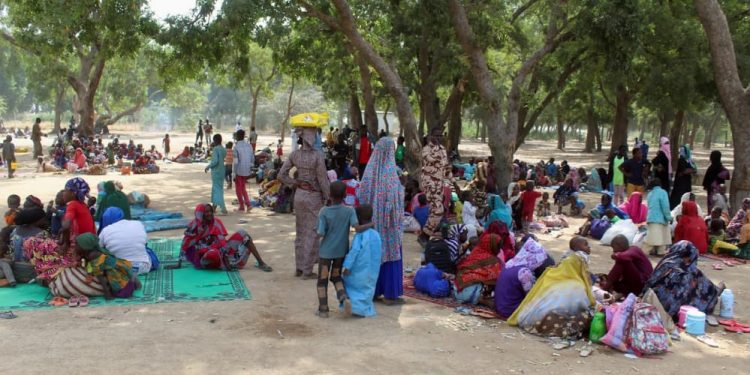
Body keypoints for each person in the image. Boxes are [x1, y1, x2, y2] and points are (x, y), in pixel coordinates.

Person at [508, 241, 595, 340]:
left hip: (530, 319)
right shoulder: (578, 286)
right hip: (551, 321)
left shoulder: (551, 275)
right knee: (588, 315)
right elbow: (583, 306)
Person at [358, 137, 405, 305]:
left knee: (374, 255)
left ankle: (374, 291)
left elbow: (361, 194)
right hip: (389, 225)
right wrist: (402, 187)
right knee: (391, 254)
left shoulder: (369, 171)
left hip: (372, 224)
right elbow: (394, 200)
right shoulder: (390, 173)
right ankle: (391, 294)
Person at [279, 127, 330, 278]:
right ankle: (307, 270)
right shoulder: (317, 156)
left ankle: (299, 268)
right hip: (314, 197)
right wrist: (328, 197)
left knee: (300, 231)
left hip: (299, 196)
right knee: (313, 233)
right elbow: (322, 179)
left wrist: (295, 183)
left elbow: (281, 175)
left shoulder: (295, 154)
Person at [315, 181, 363, 318]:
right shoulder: (349, 210)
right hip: (341, 252)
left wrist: (316, 230)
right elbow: (356, 226)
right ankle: (344, 297)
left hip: (326, 253)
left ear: (329, 195)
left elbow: (321, 233)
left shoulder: (324, 211)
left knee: (322, 280)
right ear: (345, 195)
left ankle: (323, 309)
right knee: (336, 277)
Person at [644, 240, 724, 322]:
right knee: (699, 282)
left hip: (650, 305)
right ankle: (716, 291)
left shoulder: (665, 263)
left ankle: (716, 290)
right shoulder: (688, 272)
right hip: (673, 314)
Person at [180, 203, 272, 271]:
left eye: (210, 211)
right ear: (200, 214)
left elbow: (222, 242)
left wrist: (224, 256)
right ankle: (225, 263)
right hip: (205, 256)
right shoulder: (194, 226)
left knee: (243, 234)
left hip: (220, 252)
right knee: (213, 253)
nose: (209, 214)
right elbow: (186, 243)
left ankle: (261, 263)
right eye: (206, 212)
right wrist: (178, 263)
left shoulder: (216, 222)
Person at [494, 237, 551, 319]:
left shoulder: (510, 263)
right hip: (510, 310)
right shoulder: (524, 272)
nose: (539, 264)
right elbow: (531, 295)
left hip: (500, 305)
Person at [342, 205, 382, 317]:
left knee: (353, 286)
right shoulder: (376, 234)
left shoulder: (360, 235)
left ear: (358, 217)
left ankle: (355, 307)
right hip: (372, 269)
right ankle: (364, 309)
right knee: (368, 288)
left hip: (358, 268)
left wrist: (347, 267)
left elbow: (354, 251)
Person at [76, 233, 140, 299]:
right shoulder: (93, 251)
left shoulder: (94, 257)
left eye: (77, 245)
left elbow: (101, 278)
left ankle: (132, 281)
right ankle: (133, 278)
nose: (75, 246)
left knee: (122, 293)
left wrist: (107, 293)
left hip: (115, 273)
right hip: (119, 266)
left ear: (86, 246)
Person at [420, 127, 458, 238]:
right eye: (436, 135)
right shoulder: (427, 149)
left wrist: (454, 182)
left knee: (435, 209)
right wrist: (437, 148)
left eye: (440, 136)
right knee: (438, 210)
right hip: (429, 183)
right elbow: (431, 159)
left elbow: (446, 167)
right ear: (431, 136)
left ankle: (426, 234)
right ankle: (425, 235)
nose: (439, 138)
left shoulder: (442, 149)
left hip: (439, 184)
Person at [98, 207, 152, 274]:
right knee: (147, 252)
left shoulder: (105, 230)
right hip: (143, 267)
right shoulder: (138, 223)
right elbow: (145, 244)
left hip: (119, 269)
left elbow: (99, 248)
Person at [453, 233, 502, 306]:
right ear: (493, 246)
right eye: (498, 246)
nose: (499, 249)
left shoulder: (475, 252)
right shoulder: (493, 260)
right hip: (470, 294)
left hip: (457, 290)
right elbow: (496, 279)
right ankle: (481, 299)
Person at [59, 177, 96, 255]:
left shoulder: (72, 205)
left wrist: (66, 244)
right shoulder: (83, 205)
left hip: (81, 248)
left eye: (65, 190)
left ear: (72, 193)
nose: (63, 193)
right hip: (90, 244)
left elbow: (66, 226)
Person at [645, 178, 672, 256]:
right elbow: (665, 207)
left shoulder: (650, 193)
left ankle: (654, 251)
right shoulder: (663, 192)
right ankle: (659, 252)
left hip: (651, 218)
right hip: (660, 219)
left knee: (652, 237)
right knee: (661, 237)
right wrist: (669, 217)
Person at [205, 134, 228, 215]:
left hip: (216, 171)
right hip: (222, 170)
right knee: (217, 188)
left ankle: (223, 208)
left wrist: (208, 166)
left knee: (217, 189)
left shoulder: (216, 149)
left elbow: (215, 161)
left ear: (215, 140)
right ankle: (213, 208)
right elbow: (222, 157)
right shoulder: (223, 149)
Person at [233, 129, 254, 212]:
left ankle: (243, 205)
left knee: (239, 189)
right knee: (243, 187)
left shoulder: (236, 147)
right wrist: (250, 168)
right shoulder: (249, 146)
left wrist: (234, 173)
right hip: (247, 170)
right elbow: (252, 158)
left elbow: (235, 162)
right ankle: (247, 204)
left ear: (238, 137)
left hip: (239, 170)